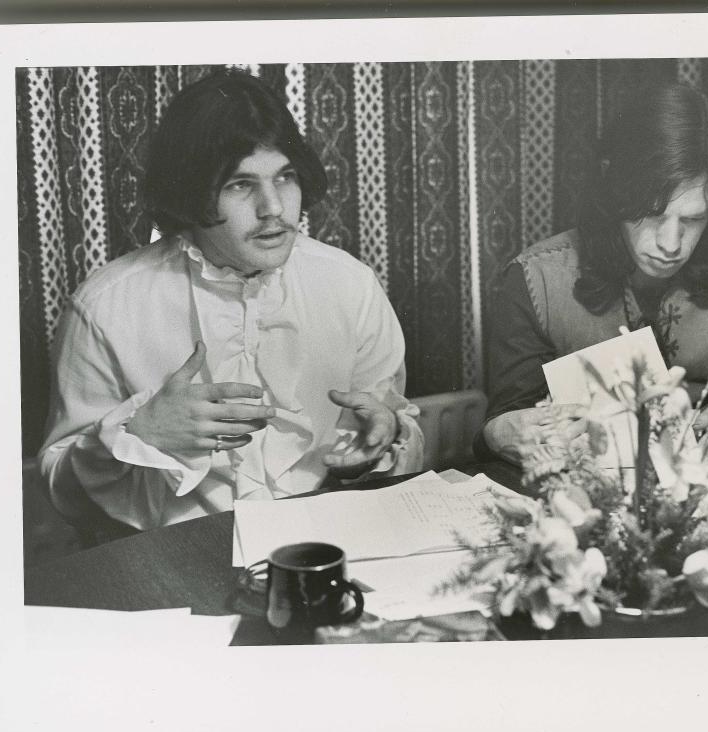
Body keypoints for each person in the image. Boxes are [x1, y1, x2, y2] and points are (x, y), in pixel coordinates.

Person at [39, 69, 423, 531]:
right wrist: (140, 435)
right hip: (172, 559)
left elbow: (399, 425)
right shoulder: (104, 306)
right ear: (190, 192)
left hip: (327, 540)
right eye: (240, 185)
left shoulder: (351, 285)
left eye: (285, 178)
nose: (274, 209)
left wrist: (383, 441)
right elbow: (59, 496)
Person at [476, 81, 708, 472]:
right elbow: (502, 428)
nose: (671, 243)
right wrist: (497, 432)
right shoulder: (535, 280)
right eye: (652, 213)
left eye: (694, 219)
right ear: (614, 191)